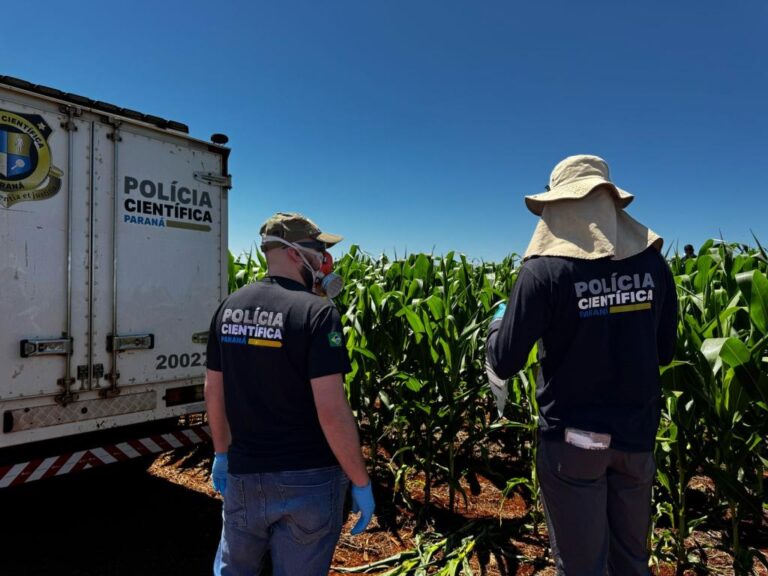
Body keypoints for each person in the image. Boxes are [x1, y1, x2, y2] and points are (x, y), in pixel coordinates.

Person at [486, 155, 677, 575]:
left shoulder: (544, 271)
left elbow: (505, 359)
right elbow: (664, 352)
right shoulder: (653, 264)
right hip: (635, 438)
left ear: (558, 206)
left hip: (573, 443)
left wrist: (498, 323)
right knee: (632, 562)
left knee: (581, 565)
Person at [205, 212, 375, 576]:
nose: (325, 260)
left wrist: (221, 453)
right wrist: (360, 481)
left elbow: (213, 390)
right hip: (309, 479)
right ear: (296, 252)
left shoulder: (229, 307)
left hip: (244, 473)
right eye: (319, 250)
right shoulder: (318, 313)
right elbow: (332, 410)